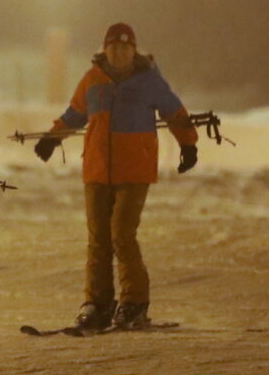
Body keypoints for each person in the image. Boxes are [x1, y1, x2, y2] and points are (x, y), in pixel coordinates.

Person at [33, 22, 199, 331]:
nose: (118, 52)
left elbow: (175, 112)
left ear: (133, 50)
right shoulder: (92, 80)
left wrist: (188, 145)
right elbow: (75, 113)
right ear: (104, 49)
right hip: (97, 170)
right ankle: (98, 302)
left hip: (134, 170)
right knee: (98, 239)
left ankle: (134, 302)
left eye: (124, 47)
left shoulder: (149, 81)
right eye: (113, 47)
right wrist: (52, 138)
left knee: (122, 233)